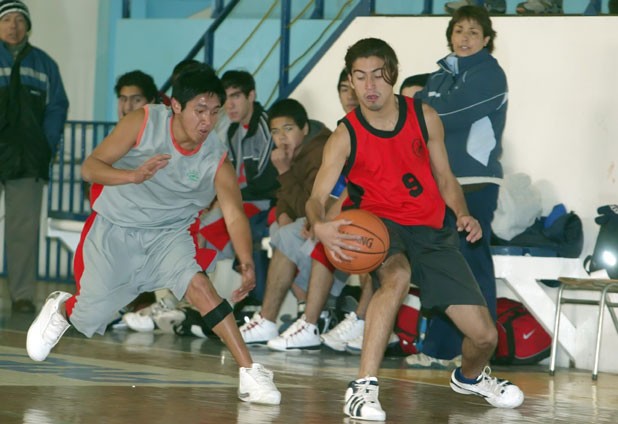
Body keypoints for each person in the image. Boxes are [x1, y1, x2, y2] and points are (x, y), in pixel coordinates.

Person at [25, 66, 281, 405]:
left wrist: (246, 261)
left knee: (200, 287)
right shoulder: (143, 122)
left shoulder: (216, 157)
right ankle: (62, 309)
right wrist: (132, 176)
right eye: (199, 111)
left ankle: (250, 372)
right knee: (92, 315)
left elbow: (234, 213)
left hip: (169, 235)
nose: (207, 121)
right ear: (176, 106)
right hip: (117, 227)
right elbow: (90, 168)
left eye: (214, 112)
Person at [306, 38, 523, 421]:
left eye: (378, 75)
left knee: (485, 336)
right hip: (381, 227)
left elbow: (445, 177)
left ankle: (470, 378)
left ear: (392, 74)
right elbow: (316, 197)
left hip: (431, 231)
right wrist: (320, 225)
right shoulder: (345, 135)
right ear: (351, 82)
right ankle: (362, 388)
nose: (370, 85)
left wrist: (463, 213)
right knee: (396, 277)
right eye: (360, 77)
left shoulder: (424, 117)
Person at [410, 5, 507, 369]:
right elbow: (422, 115)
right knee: (443, 268)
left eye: (473, 32)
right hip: (442, 185)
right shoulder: (440, 75)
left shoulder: (490, 74)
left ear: (486, 40)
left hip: (476, 185)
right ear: (450, 35)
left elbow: (448, 114)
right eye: (459, 31)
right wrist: (426, 103)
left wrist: (426, 103)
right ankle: (439, 349)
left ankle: (482, 351)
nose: (464, 38)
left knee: (473, 267)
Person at [238, 98, 346, 351]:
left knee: (284, 234)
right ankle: (303, 310)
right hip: (313, 225)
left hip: (332, 224)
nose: (282, 137)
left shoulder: (318, 150)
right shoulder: (293, 152)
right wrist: (283, 212)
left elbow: (311, 204)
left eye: (288, 129)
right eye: (275, 132)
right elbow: (285, 201)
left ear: (304, 128)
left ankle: (273, 317)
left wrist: (284, 171)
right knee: (279, 228)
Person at [0, 0, 69, 314]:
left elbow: (57, 107)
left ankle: (22, 295)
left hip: (28, 158)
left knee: (23, 231)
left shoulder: (44, 65)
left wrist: (46, 144)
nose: (13, 26)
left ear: (28, 26)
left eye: (19, 20)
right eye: (6, 20)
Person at [197, 70, 279, 313]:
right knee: (200, 227)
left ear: (251, 96)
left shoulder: (265, 126)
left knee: (209, 231)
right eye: (226, 99)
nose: (229, 105)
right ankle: (206, 303)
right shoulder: (233, 131)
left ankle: (215, 304)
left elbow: (264, 181)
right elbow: (228, 178)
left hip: (262, 201)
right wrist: (217, 200)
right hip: (242, 200)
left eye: (236, 96)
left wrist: (227, 199)